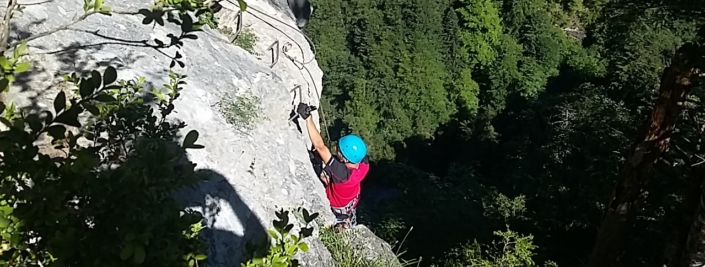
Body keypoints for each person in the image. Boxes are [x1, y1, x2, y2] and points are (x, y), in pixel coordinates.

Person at [296, 103, 370, 231]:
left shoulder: (342, 174)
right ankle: (347, 222)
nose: (336, 150)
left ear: (346, 159)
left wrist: (308, 118)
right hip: (351, 202)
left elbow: (320, 147)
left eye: (339, 151)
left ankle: (340, 224)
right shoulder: (364, 163)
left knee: (316, 161)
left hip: (337, 205)